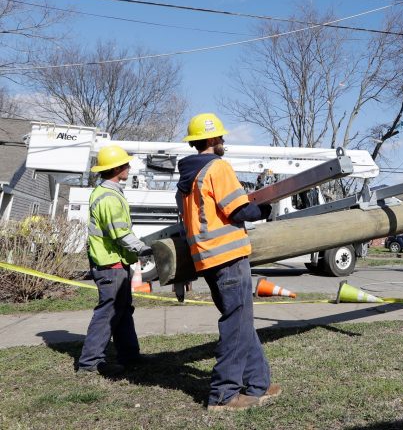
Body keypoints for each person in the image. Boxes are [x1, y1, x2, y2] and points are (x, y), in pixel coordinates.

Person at [177, 113, 281, 410]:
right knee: (236, 325)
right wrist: (262, 209)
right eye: (220, 137)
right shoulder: (217, 168)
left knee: (242, 323)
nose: (223, 142)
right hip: (229, 257)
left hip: (208, 259)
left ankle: (258, 384)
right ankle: (223, 395)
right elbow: (238, 211)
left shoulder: (186, 179)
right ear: (210, 140)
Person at [77, 145, 152, 375]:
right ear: (117, 168)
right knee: (108, 312)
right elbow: (119, 233)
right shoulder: (109, 197)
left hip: (114, 262)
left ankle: (129, 355)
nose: (129, 167)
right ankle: (90, 363)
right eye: (126, 164)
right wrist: (144, 248)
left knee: (121, 310)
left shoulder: (108, 192)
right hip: (110, 264)